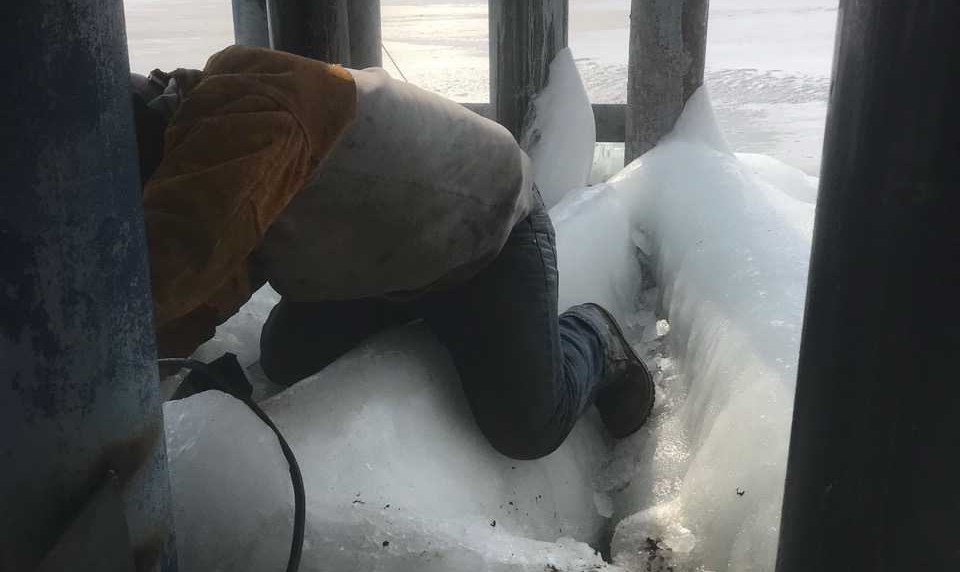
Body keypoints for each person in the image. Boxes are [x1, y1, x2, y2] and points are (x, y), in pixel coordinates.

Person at [132, 43, 654, 459]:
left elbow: (178, 260)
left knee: (527, 428)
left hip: (489, 236)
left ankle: (594, 333)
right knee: (286, 356)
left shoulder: (248, 116)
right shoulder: (205, 138)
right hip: (382, 259)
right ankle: (427, 314)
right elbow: (212, 277)